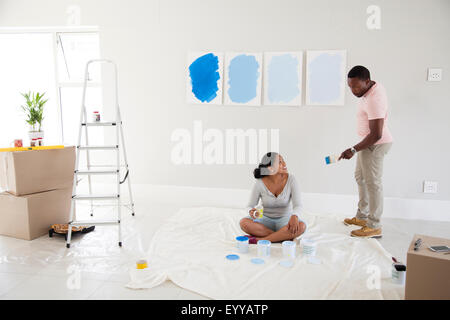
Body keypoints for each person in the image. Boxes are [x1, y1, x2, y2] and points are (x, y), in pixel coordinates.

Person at [339, 65, 393, 238]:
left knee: (373, 183)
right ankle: (362, 217)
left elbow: (376, 134)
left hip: (375, 144)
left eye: (355, 86)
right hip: (367, 143)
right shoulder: (368, 90)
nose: (353, 91)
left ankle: (374, 225)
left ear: (367, 81)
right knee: (360, 178)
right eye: (350, 87)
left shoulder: (374, 98)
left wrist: (354, 149)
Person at [240, 152, 306, 243]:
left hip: (285, 220)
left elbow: (298, 205)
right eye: (280, 162)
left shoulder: (291, 179)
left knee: (302, 226)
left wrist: (295, 216)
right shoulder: (260, 182)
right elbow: (250, 205)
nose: (284, 164)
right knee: (244, 222)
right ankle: (281, 236)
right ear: (270, 169)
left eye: (283, 161)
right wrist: (251, 212)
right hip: (265, 221)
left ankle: (260, 239)